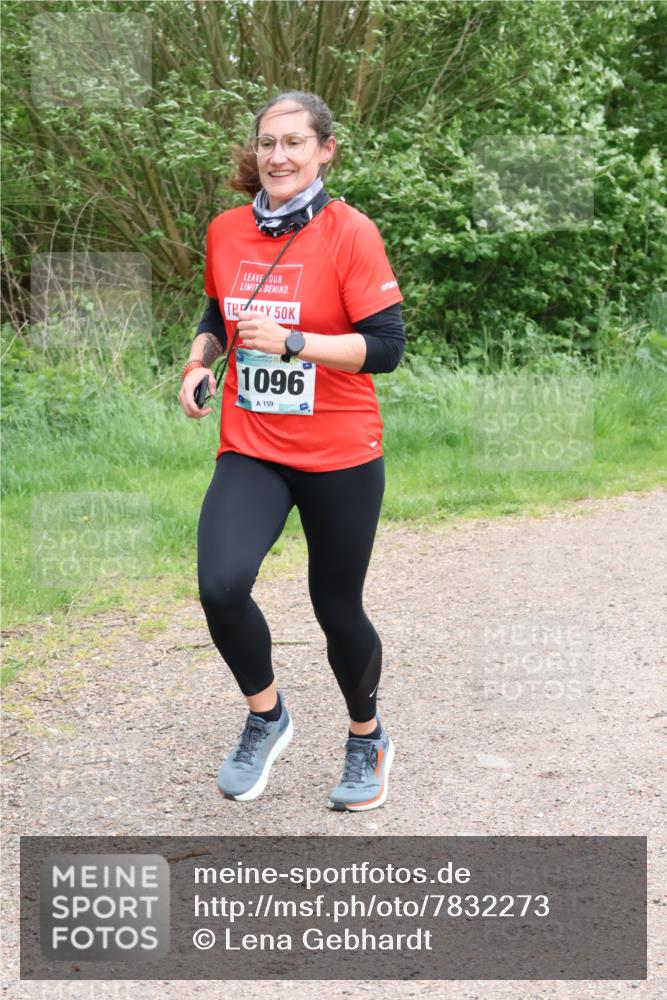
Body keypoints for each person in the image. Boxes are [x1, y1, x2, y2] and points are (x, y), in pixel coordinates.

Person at [178, 90, 405, 811]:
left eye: (294, 143)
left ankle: (366, 737)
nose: (278, 156)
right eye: (268, 142)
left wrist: (298, 342)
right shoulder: (224, 232)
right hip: (253, 444)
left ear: (324, 150)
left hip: (340, 450)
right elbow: (217, 313)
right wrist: (197, 364)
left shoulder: (350, 234)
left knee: (335, 606)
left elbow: (386, 348)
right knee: (220, 584)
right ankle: (266, 715)